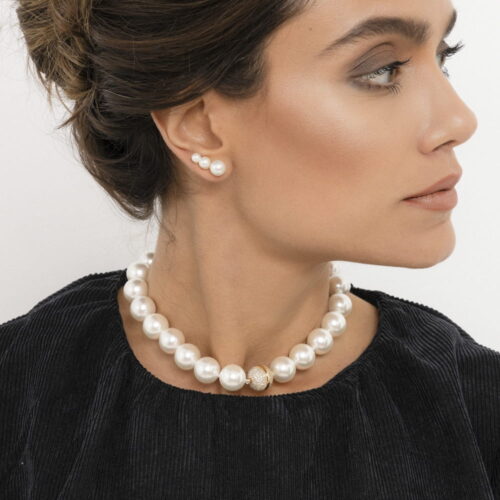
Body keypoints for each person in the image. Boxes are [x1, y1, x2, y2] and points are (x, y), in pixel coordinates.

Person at [1, 0, 498, 498]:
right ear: (199, 126)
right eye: (382, 70)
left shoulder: (478, 412)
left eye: (444, 56)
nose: (460, 119)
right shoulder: (20, 392)